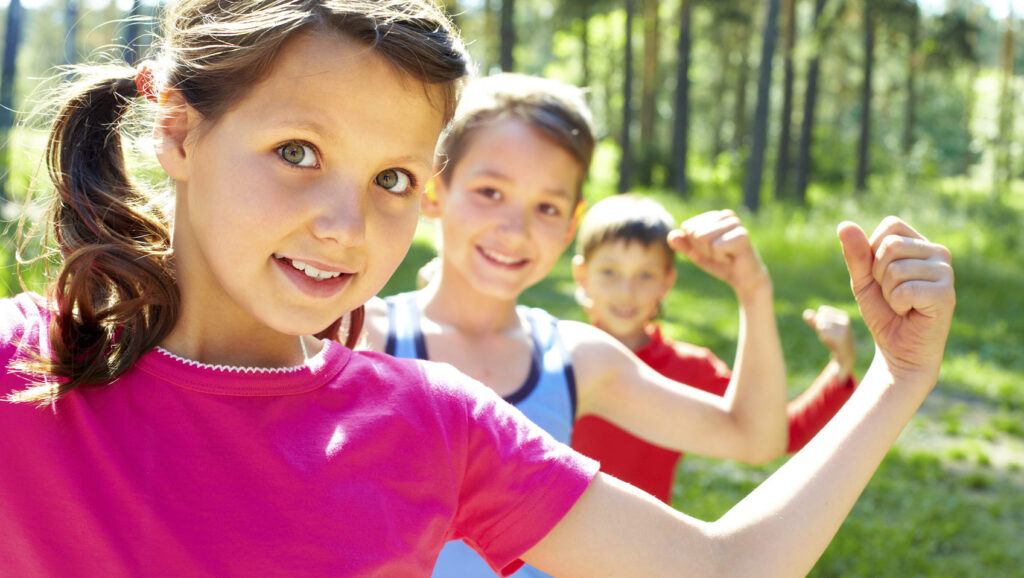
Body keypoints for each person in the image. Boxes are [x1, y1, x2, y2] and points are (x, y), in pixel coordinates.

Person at [0, 2, 955, 577]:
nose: (347, 223)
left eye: (394, 180)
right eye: (298, 153)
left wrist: (896, 379)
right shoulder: (21, 370)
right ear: (177, 131)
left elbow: (727, 564)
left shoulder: (433, 425)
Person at [360, 74, 950, 578]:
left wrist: (753, 291)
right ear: (434, 191)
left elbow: (755, 435)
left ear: (571, 225)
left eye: (547, 206)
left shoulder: (575, 358)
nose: (515, 228)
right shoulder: (361, 339)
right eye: (490, 191)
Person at [570, 194, 859, 504]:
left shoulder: (689, 369)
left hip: (639, 549)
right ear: (582, 276)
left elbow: (777, 433)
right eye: (610, 272)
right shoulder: (553, 355)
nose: (626, 292)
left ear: (666, 283)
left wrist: (839, 368)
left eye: (645, 274)